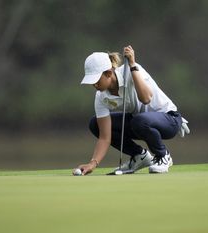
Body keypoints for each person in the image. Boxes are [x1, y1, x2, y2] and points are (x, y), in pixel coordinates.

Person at [75, 45, 189, 175]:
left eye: (96, 79)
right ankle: (140, 156)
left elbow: (146, 99)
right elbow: (105, 137)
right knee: (95, 124)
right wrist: (92, 163)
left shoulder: (131, 70)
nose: (94, 84)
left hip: (169, 119)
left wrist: (133, 65)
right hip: (140, 122)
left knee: (139, 121)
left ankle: (163, 156)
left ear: (108, 73)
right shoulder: (101, 97)